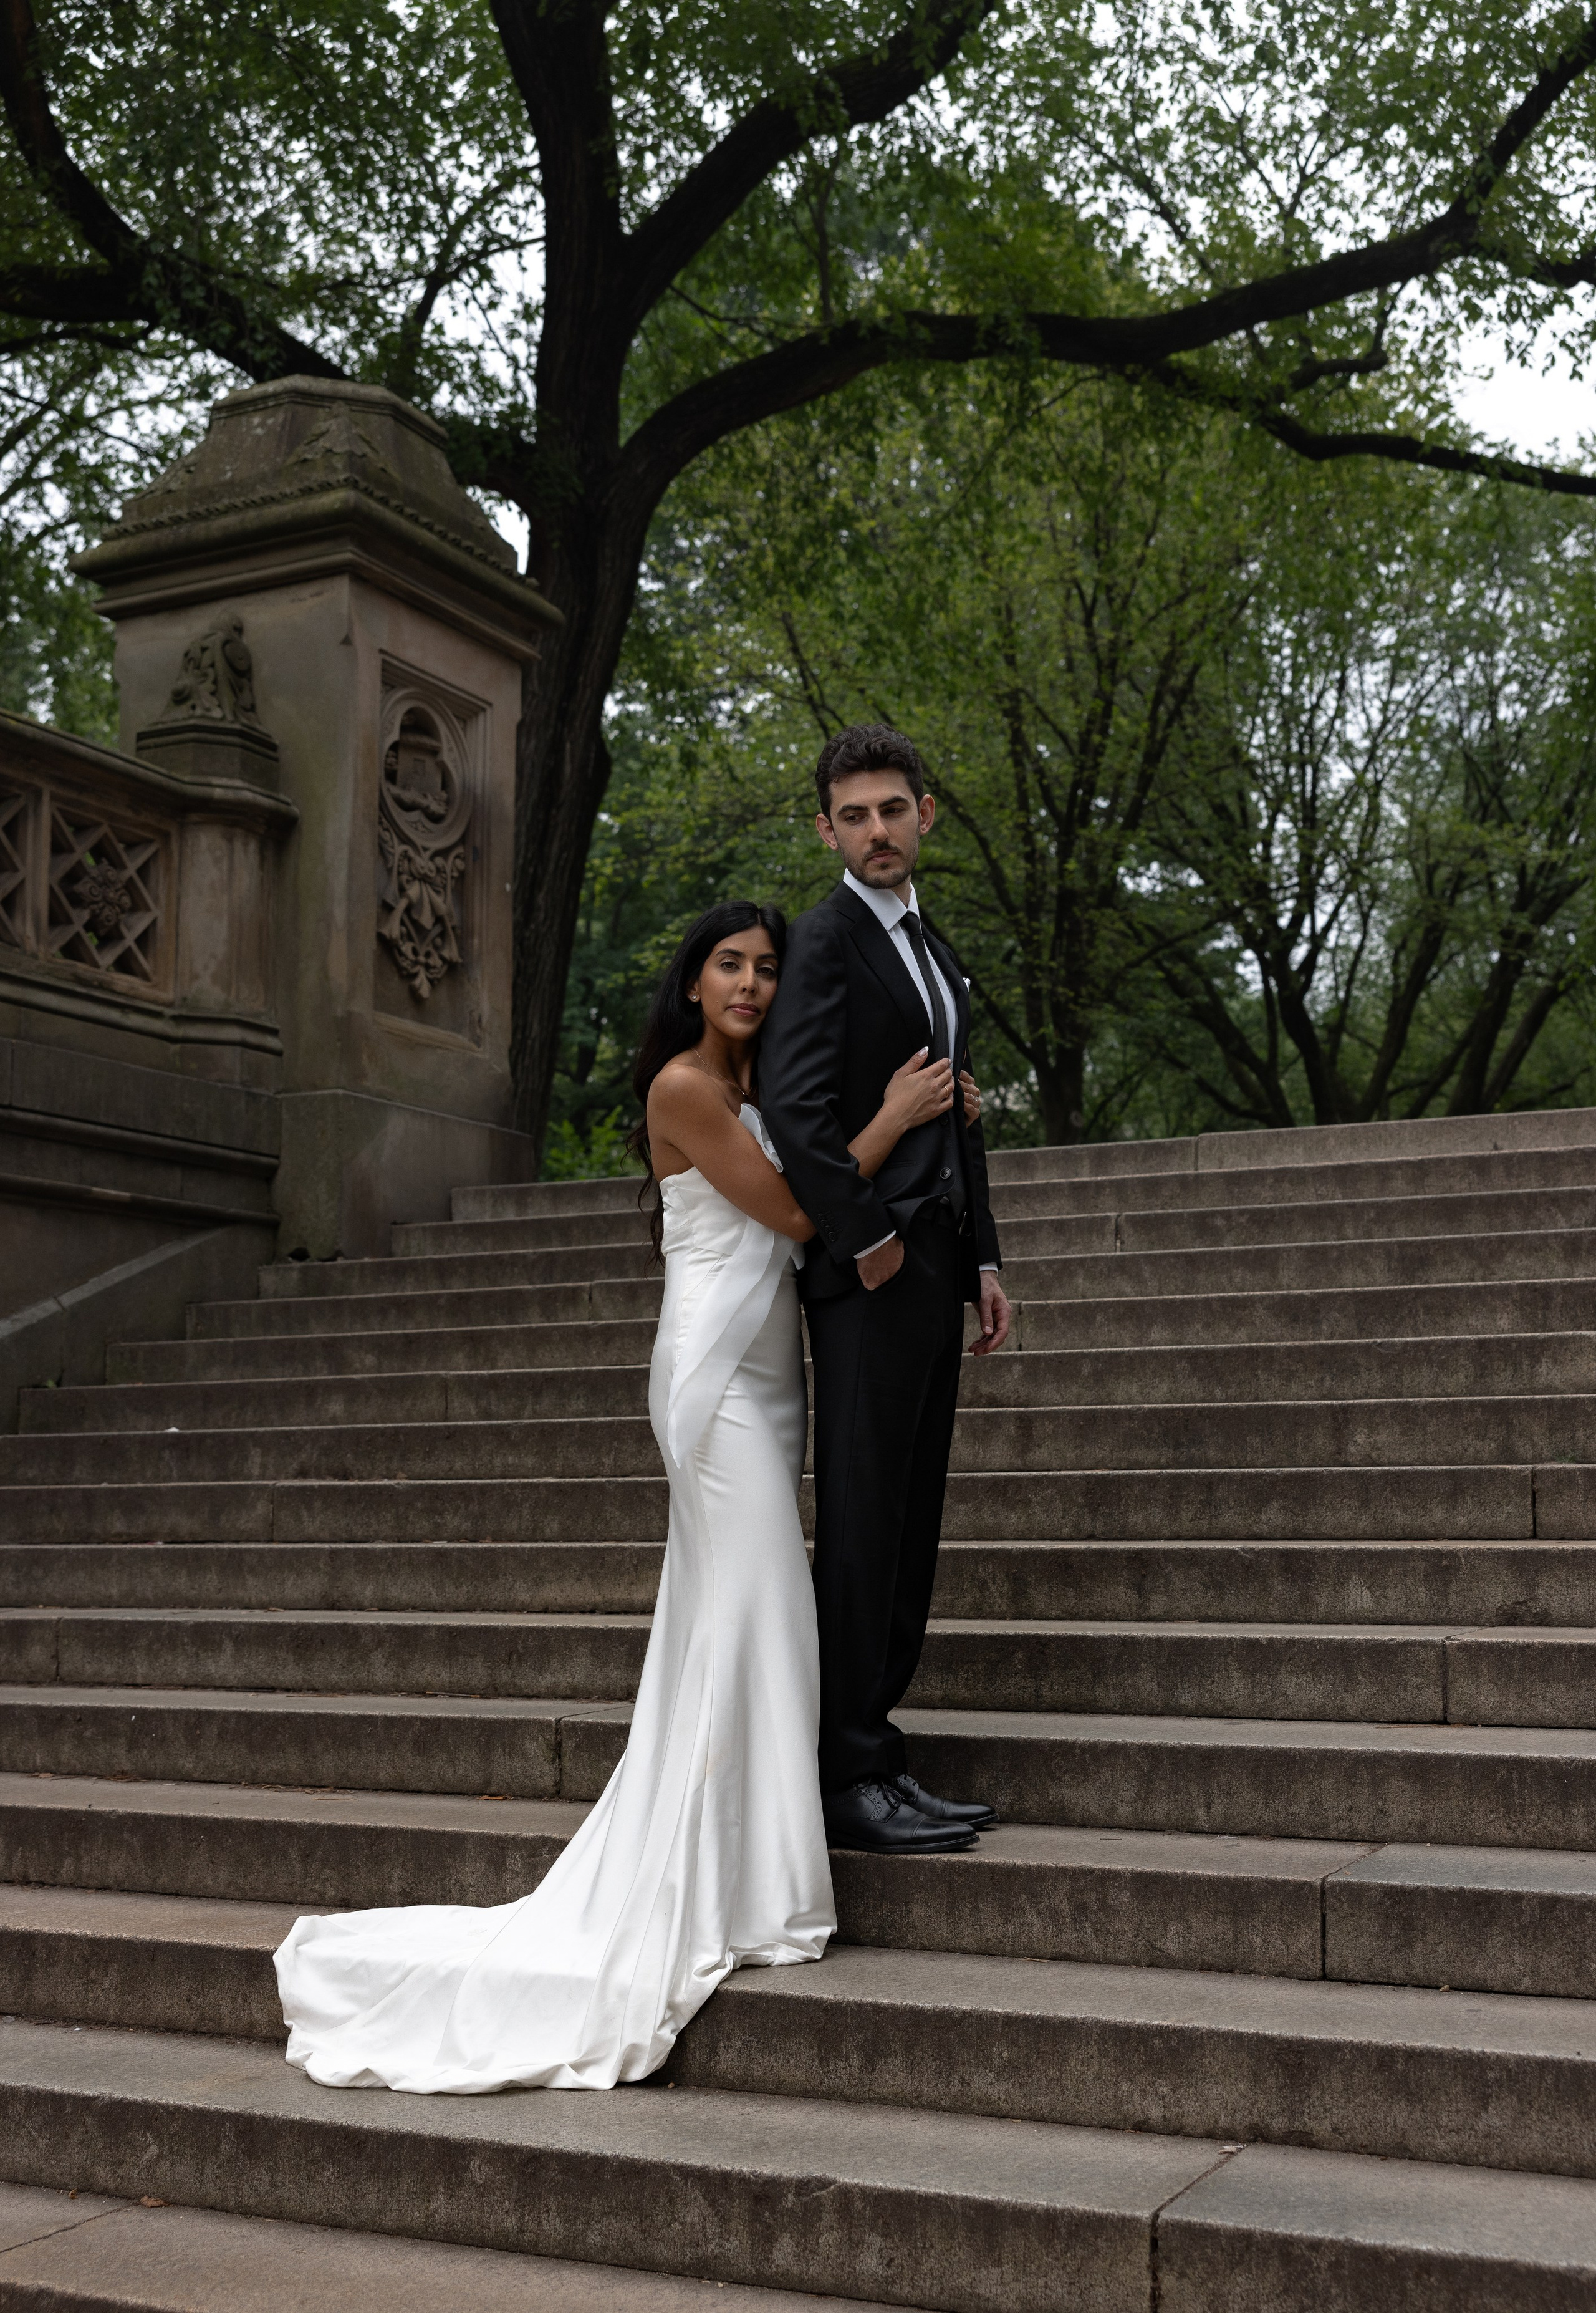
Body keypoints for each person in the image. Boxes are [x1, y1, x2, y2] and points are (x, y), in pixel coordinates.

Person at [273, 900, 964, 2092]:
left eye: (764, 968)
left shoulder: (759, 1082)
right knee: (761, 1616)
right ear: (692, 983)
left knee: (740, 1629)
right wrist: (894, 1117)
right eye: (728, 966)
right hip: (715, 1386)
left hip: (771, 1371)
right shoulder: (685, 1088)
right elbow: (798, 1214)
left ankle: (746, 1862)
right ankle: (746, 1883)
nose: (749, 984)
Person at [759, 725, 1011, 1857]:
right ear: (827, 829)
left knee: (910, 1518)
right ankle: (846, 1770)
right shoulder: (821, 943)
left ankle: (878, 1748)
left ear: (926, 813)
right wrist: (862, 1244)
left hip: (938, 1262)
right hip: (872, 1273)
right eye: (853, 815)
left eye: (892, 810)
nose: (876, 831)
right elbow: (799, 1119)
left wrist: (988, 1258)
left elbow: (958, 1112)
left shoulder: (931, 946)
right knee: (862, 1519)